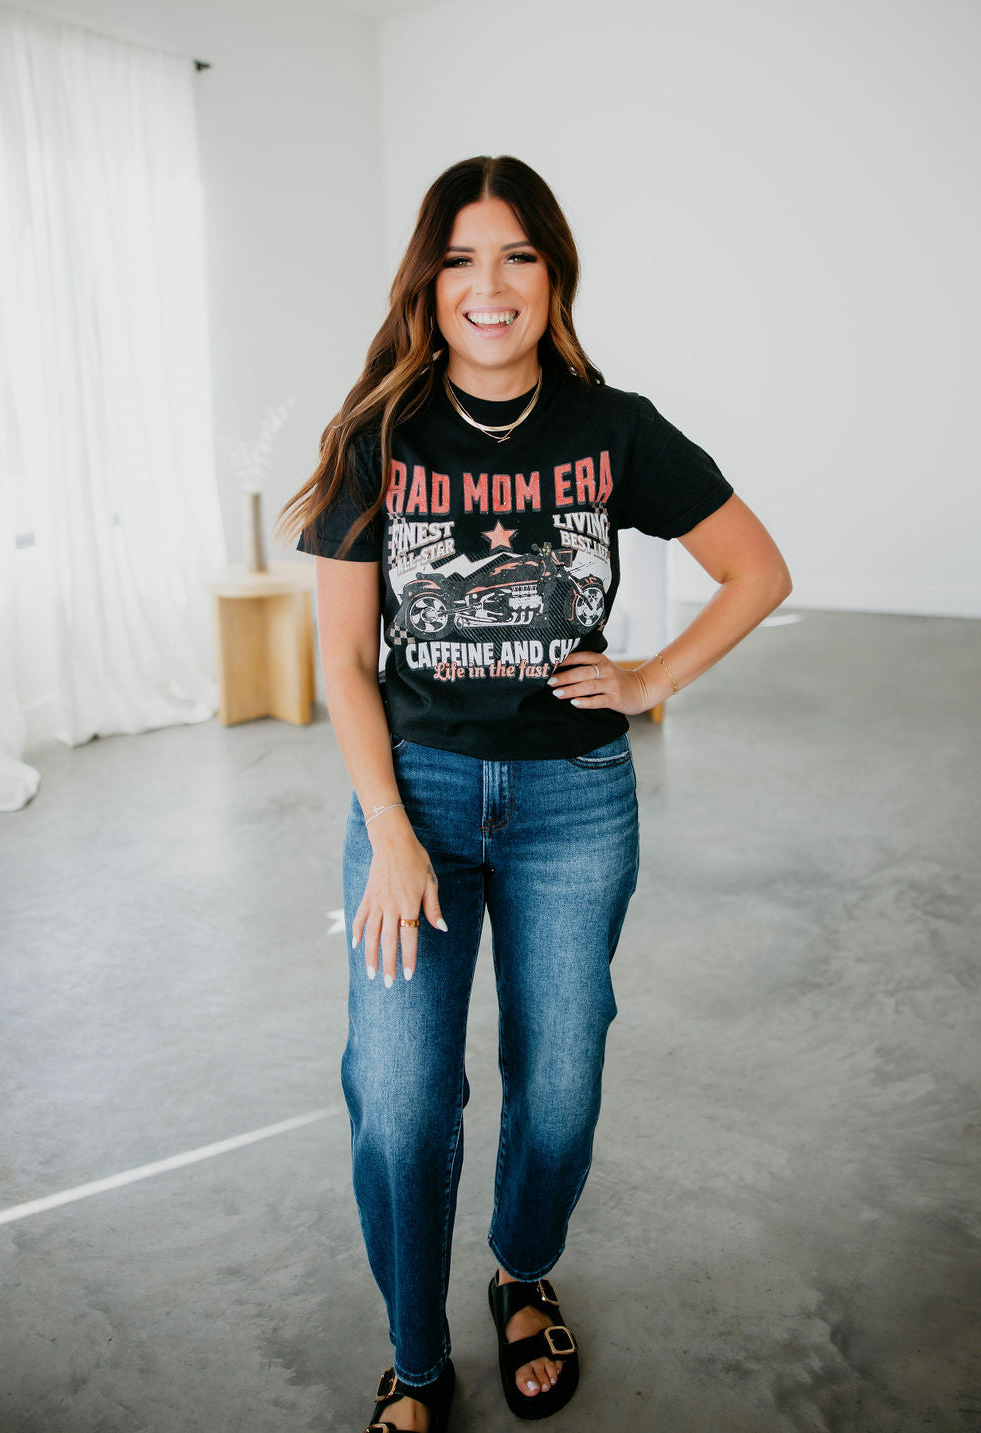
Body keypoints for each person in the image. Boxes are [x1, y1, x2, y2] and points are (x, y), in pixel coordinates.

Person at [277, 155, 791, 1432]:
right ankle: (414, 1356)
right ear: (426, 283)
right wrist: (390, 832)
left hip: (574, 800)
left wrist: (651, 677)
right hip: (415, 798)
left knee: (559, 1085)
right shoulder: (375, 438)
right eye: (460, 258)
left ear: (553, 275)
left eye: (516, 254)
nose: (489, 284)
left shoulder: (614, 427)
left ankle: (521, 1268)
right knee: (398, 1101)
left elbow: (757, 569)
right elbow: (340, 663)